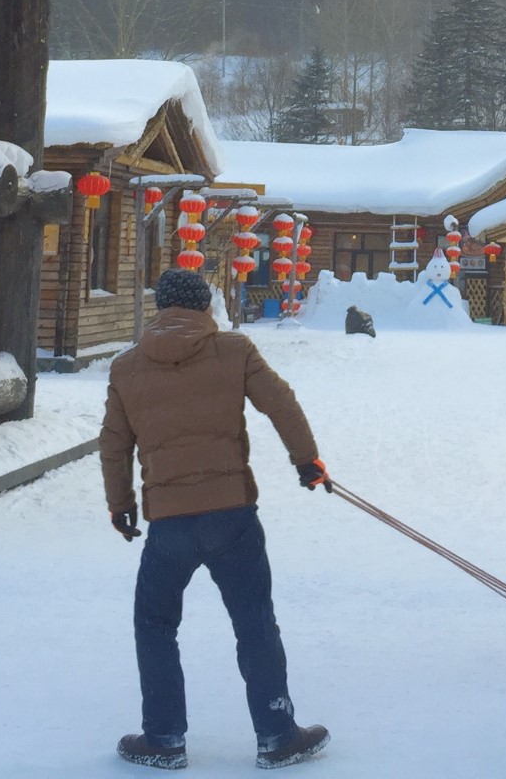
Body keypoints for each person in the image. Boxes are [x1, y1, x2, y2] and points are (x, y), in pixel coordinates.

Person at [101, 267, 333, 771]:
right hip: (232, 515)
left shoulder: (127, 368)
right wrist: (306, 462)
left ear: (160, 308)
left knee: (155, 624)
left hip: (168, 523)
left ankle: (163, 737)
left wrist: (121, 506)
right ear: (205, 306)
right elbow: (281, 404)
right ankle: (277, 734)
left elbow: (114, 445)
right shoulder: (234, 351)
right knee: (254, 622)